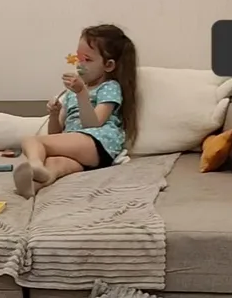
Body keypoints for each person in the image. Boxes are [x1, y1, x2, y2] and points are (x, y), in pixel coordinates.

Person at [13, 24, 139, 199]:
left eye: (87, 59)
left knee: (31, 140)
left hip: (99, 143)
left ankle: (35, 164)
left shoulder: (109, 87)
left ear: (109, 65)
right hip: (82, 151)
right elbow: (55, 134)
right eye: (79, 58)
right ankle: (34, 185)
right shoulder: (72, 94)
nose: (80, 65)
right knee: (55, 164)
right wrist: (54, 115)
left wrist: (81, 93)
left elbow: (94, 123)